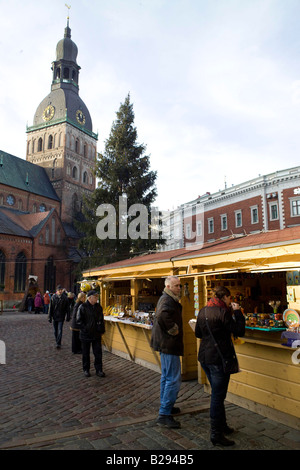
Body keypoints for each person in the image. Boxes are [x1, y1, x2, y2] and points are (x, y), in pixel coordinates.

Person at [195, 286, 245, 447]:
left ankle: (222, 426)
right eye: (230, 298)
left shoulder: (203, 310)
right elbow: (239, 330)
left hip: (205, 357)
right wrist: (237, 312)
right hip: (219, 358)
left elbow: (198, 334)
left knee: (218, 394)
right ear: (225, 298)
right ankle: (216, 434)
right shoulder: (223, 312)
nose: (231, 301)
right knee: (217, 396)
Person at [150, 276, 183, 429]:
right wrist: (174, 330)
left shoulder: (167, 299)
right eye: (176, 286)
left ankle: (166, 406)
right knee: (172, 379)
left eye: (180, 285)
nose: (179, 288)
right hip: (168, 344)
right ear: (168, 287)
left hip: (165, 343)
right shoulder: (167, 300)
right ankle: (164, 413)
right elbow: (162, 315)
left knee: (166, 377)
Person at [76, 290, 105, 378]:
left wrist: (101, 329)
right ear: (89, 298)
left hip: (96, 334)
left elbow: (101, 319)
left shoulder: (98, 307)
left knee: (98, 353)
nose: (97, 299)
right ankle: (86, 369)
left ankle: (99, 369)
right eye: (95, 297)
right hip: (86, 334)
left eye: (97, 297)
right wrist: (85, 329)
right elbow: (79, 320)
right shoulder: (83, 307)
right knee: (85, 353)